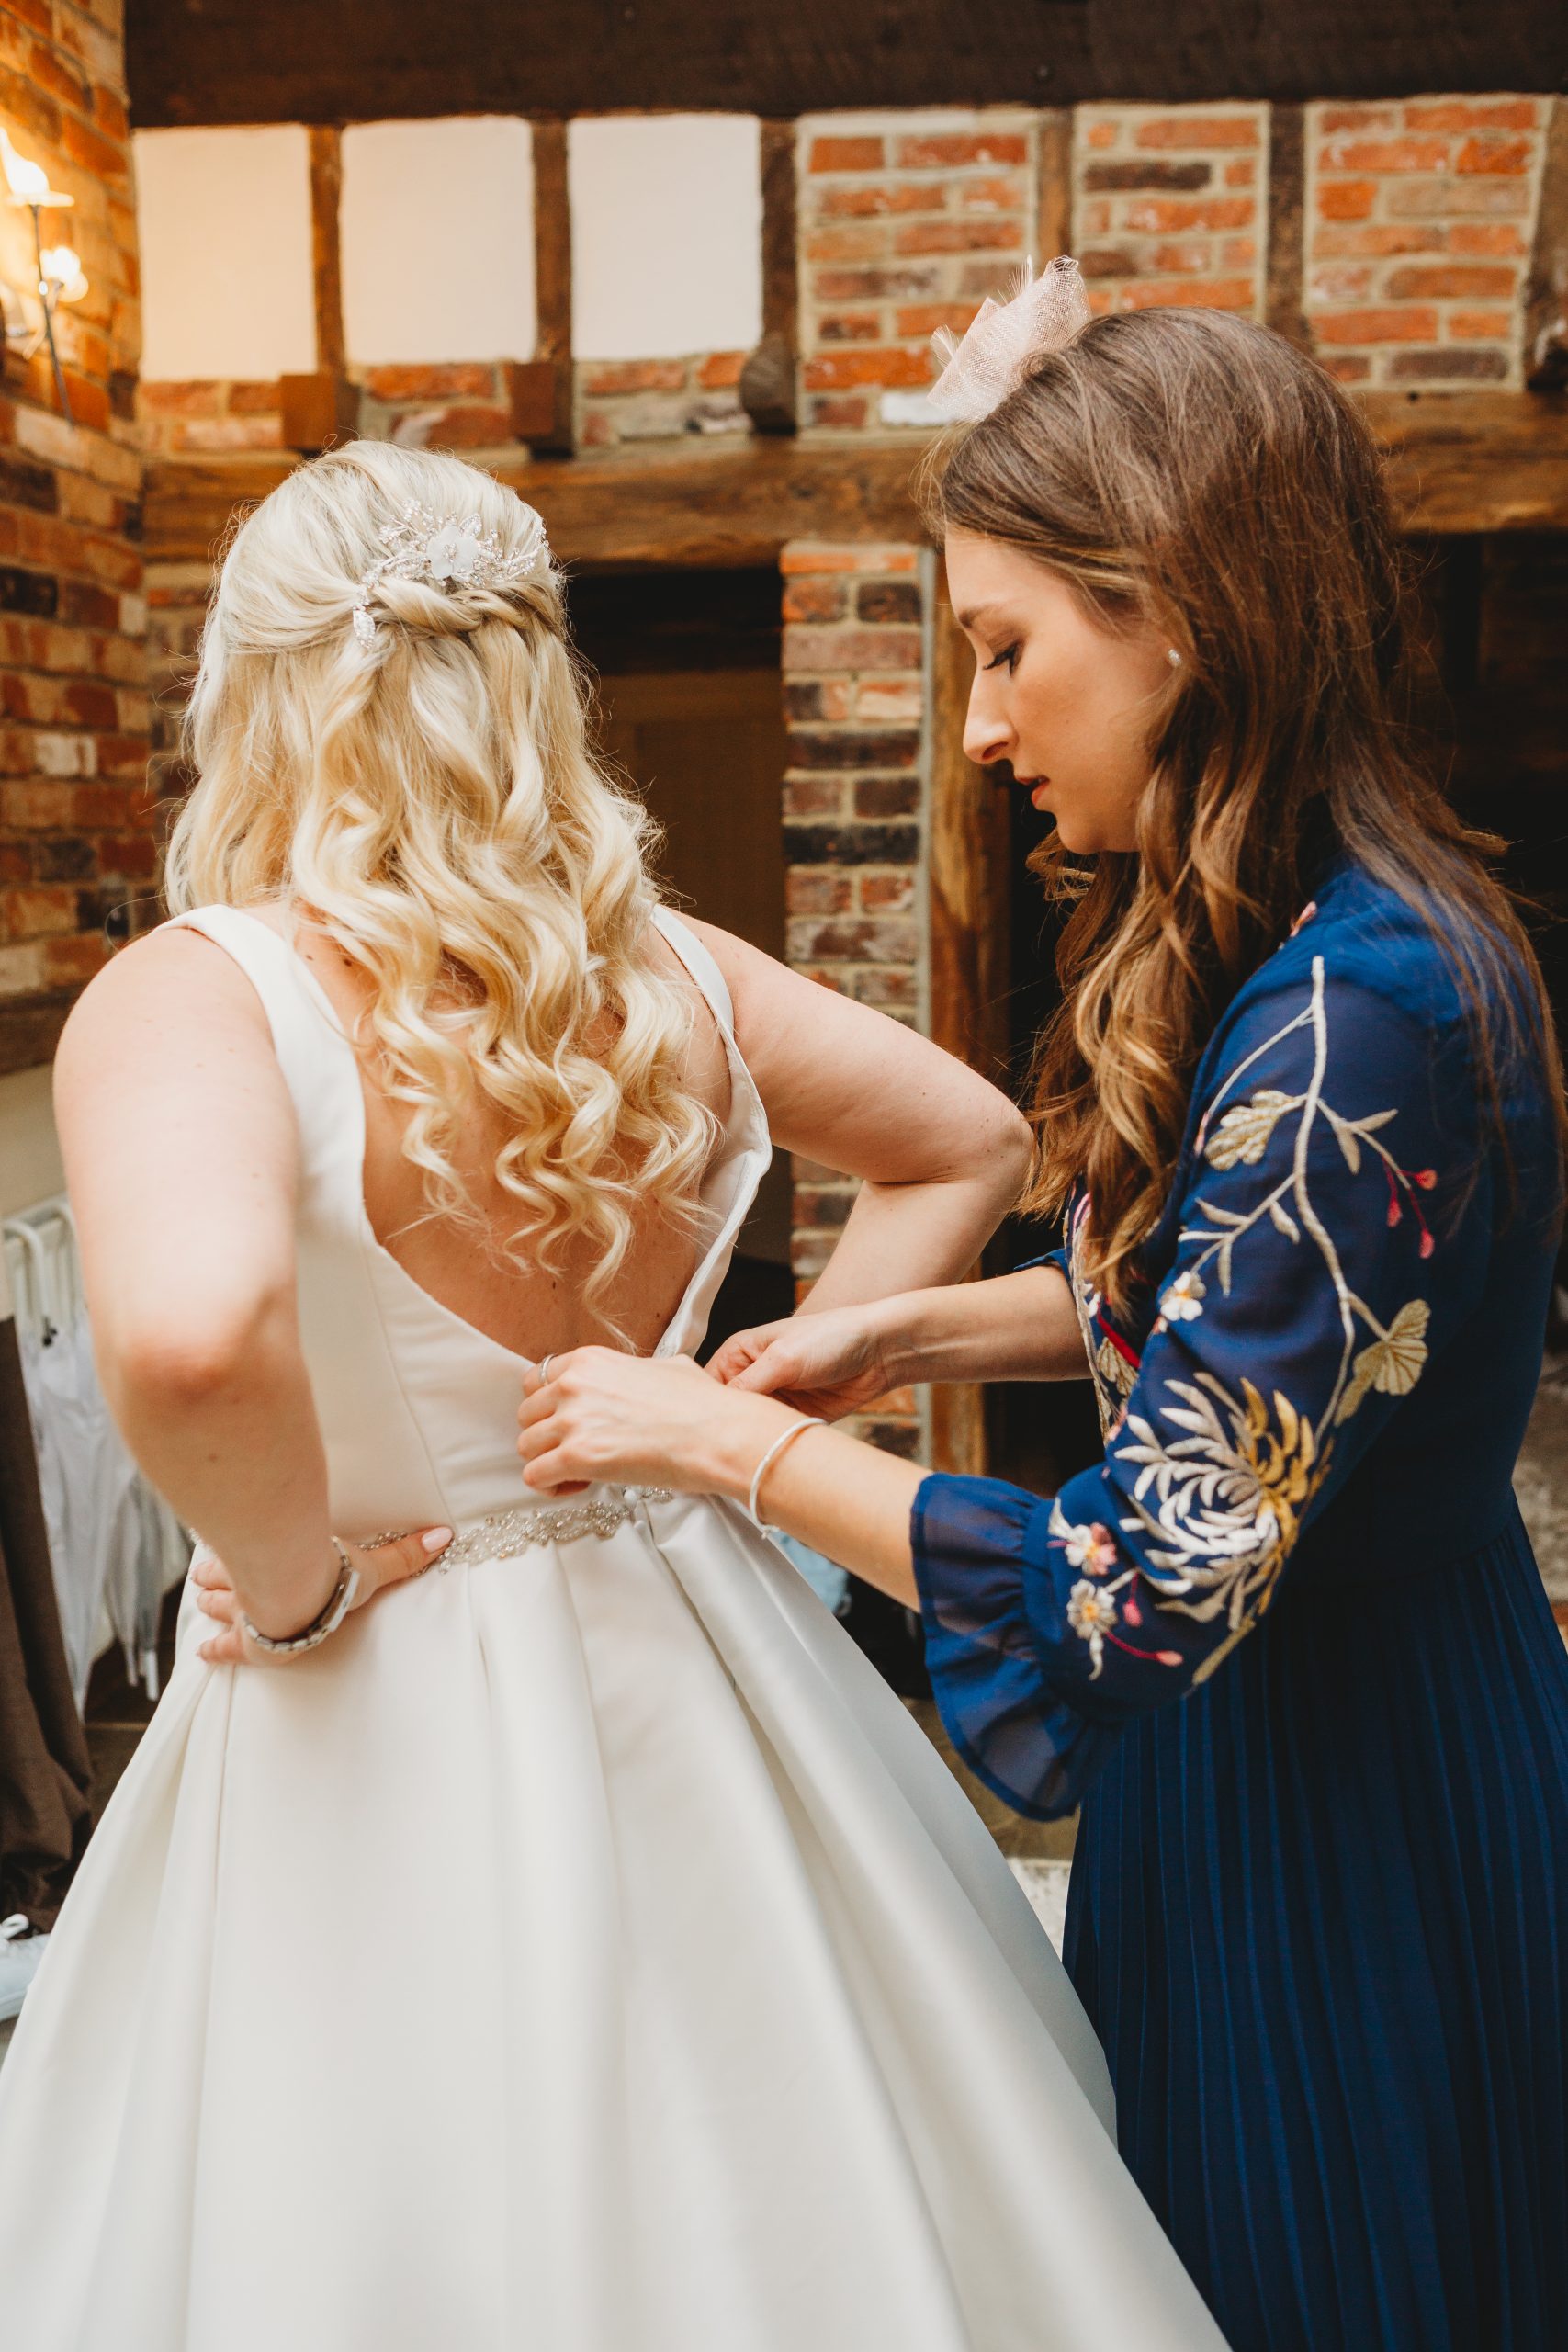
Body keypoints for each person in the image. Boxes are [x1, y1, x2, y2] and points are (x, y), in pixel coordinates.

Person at [0, 441, 1226, 2351]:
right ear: (526, 680)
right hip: (697, 1639)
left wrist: (296, 1577)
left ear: (255, 692)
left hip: (369, 1687)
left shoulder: (204, 989)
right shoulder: (670, 973)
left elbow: (186, 1342)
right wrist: (741, 1423)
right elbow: (968, 1139)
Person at [516, 295, 1568, 2352]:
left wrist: (732, 1444)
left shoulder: (1353, 1019)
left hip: (1342, 1803)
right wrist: (902, 1344)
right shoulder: (1321, 938)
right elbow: (1238, 1322)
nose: (982, 727)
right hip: (1281, 1749)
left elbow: (1148, 1574)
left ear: (1174, 613)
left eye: (1005, 651)